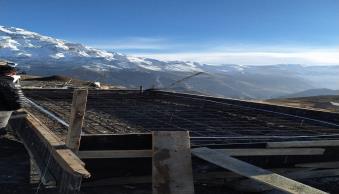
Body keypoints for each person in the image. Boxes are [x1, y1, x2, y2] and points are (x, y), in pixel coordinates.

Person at [0, 64, 23, 136]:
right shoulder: (10, 84)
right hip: (4, 110)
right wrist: (16, 107)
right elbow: (15, 99)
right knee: (1, 125)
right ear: (11, 73)